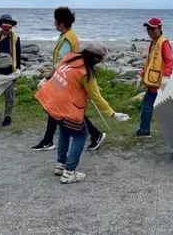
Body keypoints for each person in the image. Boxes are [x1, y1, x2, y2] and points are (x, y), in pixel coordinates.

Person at [35, 43, 130, 183]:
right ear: (95, 58)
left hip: (51, 99)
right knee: (81, 134)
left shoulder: (69, 57)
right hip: (66, 106)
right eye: (100, 59)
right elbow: (96, 97)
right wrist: (113, 114)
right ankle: (69, 172)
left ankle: (60, 165)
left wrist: (46, 80)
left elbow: (57, 74)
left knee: (64, 131)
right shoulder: (86, 72)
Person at [31, 7, 107, 151]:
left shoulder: (67, 38)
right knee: (59, 107)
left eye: (56, 20)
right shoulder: (68, 35)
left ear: (61, 23)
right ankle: (49, 140)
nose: (54, 23)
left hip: (64, 77)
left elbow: (61, 62)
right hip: (67, 76)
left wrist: (49, 76)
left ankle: (93, 134)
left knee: (59, 107)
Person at [135, 17, 173, 137]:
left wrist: (166, 77)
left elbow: (169, 61)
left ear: (159, 28)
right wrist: (142, 75)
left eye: (152, 28)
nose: (150, 31)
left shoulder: (163, 42)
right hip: (153, 82)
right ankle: (145, 130)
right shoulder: (153, 43)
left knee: (149, 106)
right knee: (151, 106)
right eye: (148, 28)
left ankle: (145, 130)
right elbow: (150, 62)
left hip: (160, 83)